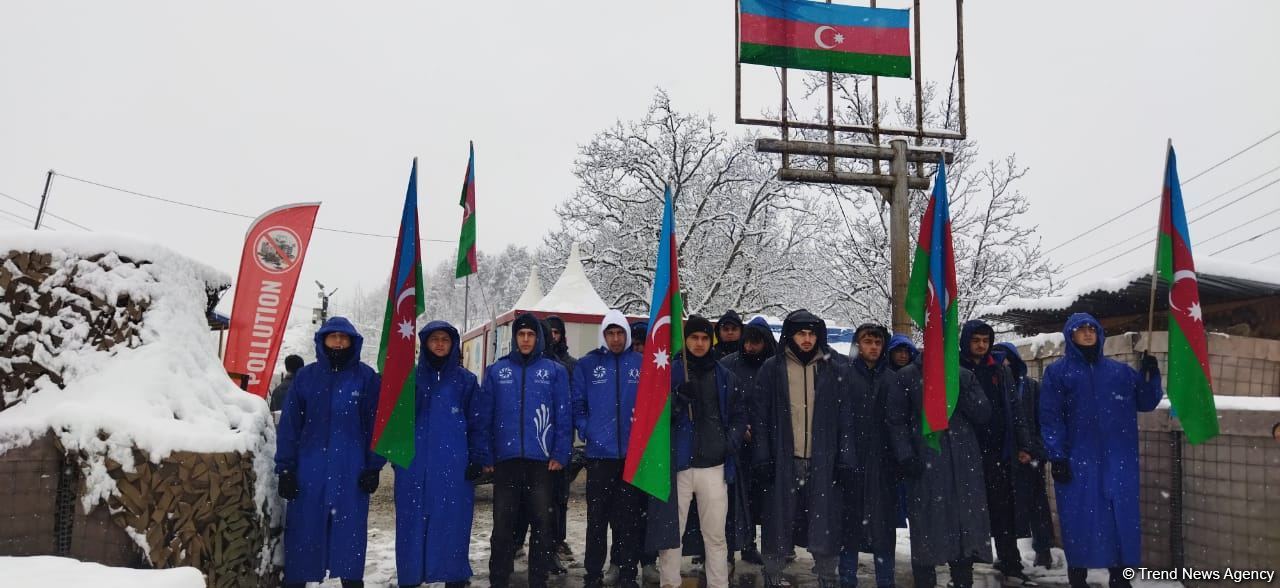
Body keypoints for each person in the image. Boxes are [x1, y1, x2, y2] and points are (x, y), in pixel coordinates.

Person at [1039, 314, 1163, 588]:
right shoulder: (1058, 374)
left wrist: (1150, 375)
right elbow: (1050, 417)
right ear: (1070, 335)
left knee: (1120, 521)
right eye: (1081, 329)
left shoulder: (1120, 373)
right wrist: (1057, 455)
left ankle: (1120, 578)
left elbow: (1146, 402)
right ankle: (1078, 577)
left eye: (1092, 329)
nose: (1087, 333)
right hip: (1078, 461)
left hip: (1118, 460)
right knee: (1080, 520)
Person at [275, 317, 384, 588]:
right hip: (309, 471)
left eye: (343, 337)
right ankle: (297, 582)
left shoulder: (366, 378)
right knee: (304, 530)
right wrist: (286, 468)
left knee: (350, 533)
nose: (338, 341)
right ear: (322, 340)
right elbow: (290, 426)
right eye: (332, 336)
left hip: (352, 470)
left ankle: (351, 581)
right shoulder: (306, 377)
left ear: (352, 342)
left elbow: (376, 425)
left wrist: (373, 466)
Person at [751, 309, 855, 588]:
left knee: (826, 523)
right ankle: (772, 576)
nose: (807, 339)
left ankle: (827, 578)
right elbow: (760, 418)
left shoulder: (835, 367)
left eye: (811, 334)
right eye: (801, 334)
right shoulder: (772, 368)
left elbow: (846, 419)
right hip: (784, 459)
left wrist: (845, 458)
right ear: (790, 335)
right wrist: (762, 456)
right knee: (777, 523)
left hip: (824, 460)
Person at [646, 315, 748, 588]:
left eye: (704, 338)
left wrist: (729, 442)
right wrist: (677, 400)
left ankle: (718, 584)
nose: (699, 343)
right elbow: (654, 415)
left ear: (711, 340)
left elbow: (739, 415)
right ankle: (670, 583)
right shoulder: (670, 372)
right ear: (685, 339)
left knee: (715, 536)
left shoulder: (725, 377)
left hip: (713, 466)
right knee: (672, 535)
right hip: (677, 466)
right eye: (694, 337)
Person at [476, 313, 573, 588]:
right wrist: (485, 453)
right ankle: (499, 579)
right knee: (503, 525)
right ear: (515, 338)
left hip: (541, 461)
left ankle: (538, 580)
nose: (526, 339)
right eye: (521, 334)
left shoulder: (554, 371)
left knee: (542, 525)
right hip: (506, 461)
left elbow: (564, 415)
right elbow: (484, 416)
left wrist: (560, 452)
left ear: (538, 337)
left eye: (531, 334)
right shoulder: (497, 371)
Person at [887, 343, 993, 588]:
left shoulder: (963, 375)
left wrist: (957, 386)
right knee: (926, 528)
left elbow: (983, 413)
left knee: (963, 527)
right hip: (926, 462)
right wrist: (905, 455)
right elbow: (896, 420)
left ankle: (962, 580)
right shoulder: (907, 377)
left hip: (963, 464)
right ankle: (925, 581)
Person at [393, 321, 483, 588]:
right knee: (411, 524)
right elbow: (395, 422)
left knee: (452, 524)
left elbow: (478, 423)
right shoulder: (409, 378)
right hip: (414, 465)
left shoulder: (466, 381)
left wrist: (477, 457)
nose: (440, 344)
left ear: (453, 344)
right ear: (425, 344)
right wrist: (396, 457)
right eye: (435, 339)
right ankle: (410, 576)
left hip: (453, 467)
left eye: (445, 339)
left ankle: (454, 576)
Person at [958, 320, 1035, 585]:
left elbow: (1015, 409)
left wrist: (1024, 444)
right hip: (965, 453)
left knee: (1003, 512)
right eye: (976, 340)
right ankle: (963, 570)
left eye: (985, 341)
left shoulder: (999, 370)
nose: (981, 345)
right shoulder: (956, 369)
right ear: (966, 341)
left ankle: (1011, 563)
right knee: (967, 514)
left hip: (997, 453)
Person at [573, 310, 646, 588]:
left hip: (631, 456)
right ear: (603, 335)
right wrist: (587, 429)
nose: (615, 339)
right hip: (599, 457)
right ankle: (593, 574)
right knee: (597, 519)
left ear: (626, 335)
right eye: (610, 333)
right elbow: (578, 404)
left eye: (619, 333)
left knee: (628, 520)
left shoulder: (640, 363)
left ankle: (628, 573)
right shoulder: (588, 364)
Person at [718, 316, 777, 566]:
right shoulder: (728, 365)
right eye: (747, 342)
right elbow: (723, 403)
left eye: (756, 342)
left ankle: (751, 545)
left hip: (767, 444)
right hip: (735, 444)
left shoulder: (775, 367)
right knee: (733, 500)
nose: (750, 347)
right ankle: (730, 547)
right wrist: (739, 427)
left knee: (760, 500)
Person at [842, 323, 898, 588]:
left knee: (883, 528)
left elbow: (899, 423)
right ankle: (847, 579)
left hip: (884, 464)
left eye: (877, 342)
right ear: (858, 344)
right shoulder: (844, 376)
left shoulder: (892, 379)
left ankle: (886, 580)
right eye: (868, 342)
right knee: (849, 526)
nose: (873, 347)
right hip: (851, 460)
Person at [993, 341, 1055, 569]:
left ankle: (1043, 551)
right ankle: (1008, 554)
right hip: (1004, 458)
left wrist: (1032, 451)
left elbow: (1043, 423)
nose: (1004, 365)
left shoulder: (1030, 388)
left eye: (1007, 359)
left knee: (1037, 505)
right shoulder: (994, 387)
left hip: (1029, 460)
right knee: (1004, 509)